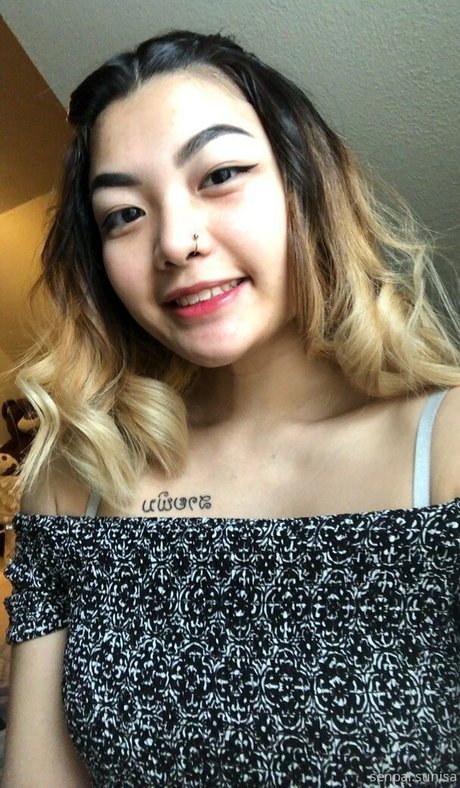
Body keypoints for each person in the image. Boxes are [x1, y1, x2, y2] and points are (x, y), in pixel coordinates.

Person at [2, 29, 459, 787]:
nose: (175, 242)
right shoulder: (78, 482)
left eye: (219, 174)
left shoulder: (442, 449)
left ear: (306, 185)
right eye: (124, 214)